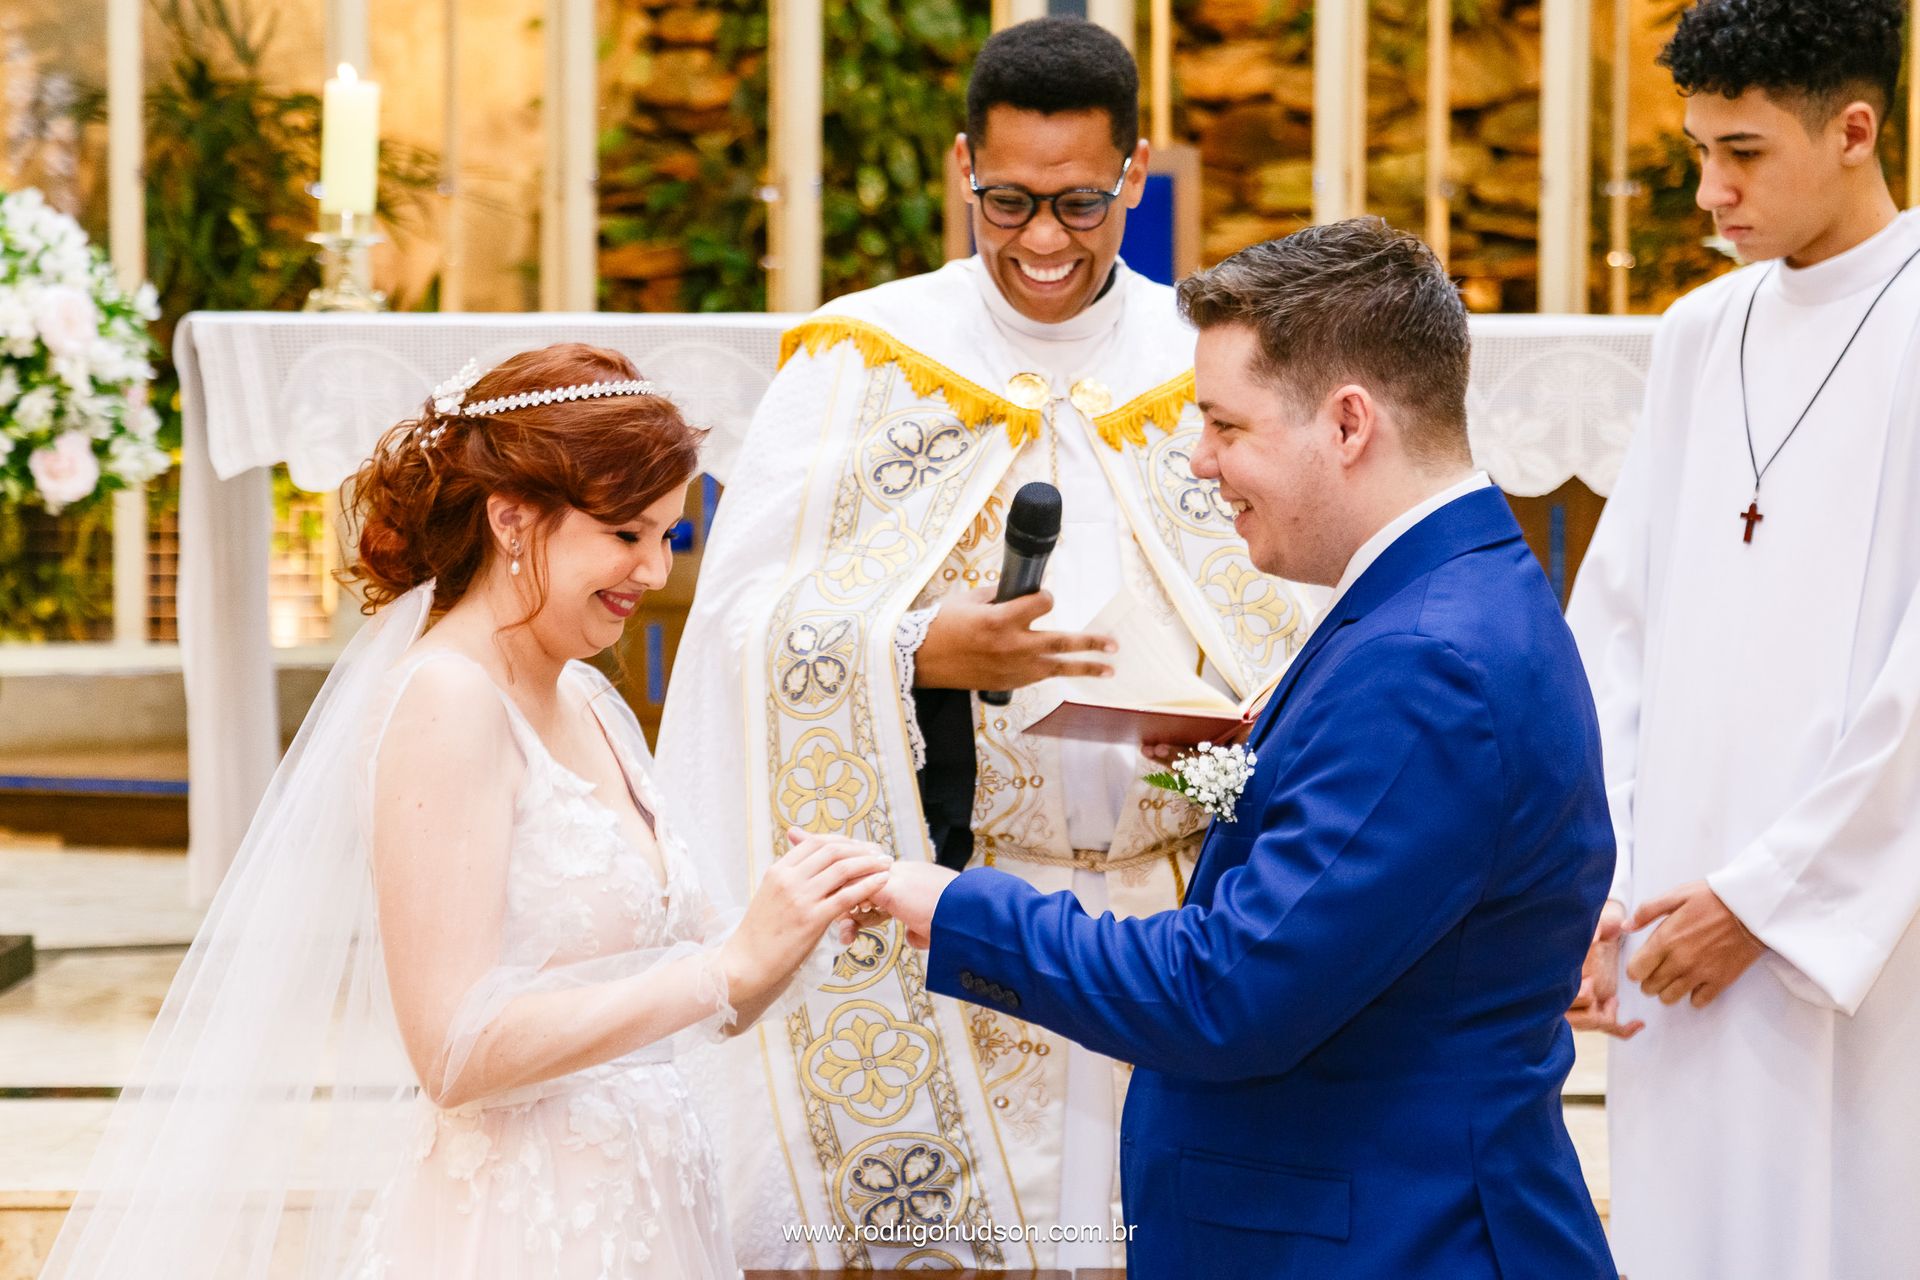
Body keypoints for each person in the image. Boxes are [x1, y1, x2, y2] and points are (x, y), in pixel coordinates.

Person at [658, 17, 1313, 1269]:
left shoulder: (1211, 362)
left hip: (1171, 914)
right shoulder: (862, 359)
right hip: (941, 914)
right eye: (1006, 200)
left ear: (1134, 176)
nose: (1044, 241)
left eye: (1079, 201)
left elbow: (1298, 623)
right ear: (962, 164)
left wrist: (1218, 749)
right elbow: (740, 631)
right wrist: (915, 649)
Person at [869, 219, 1619, 1279]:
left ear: (1349, 422)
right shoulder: (1442, 595)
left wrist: (957, 907)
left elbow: (1228, 993)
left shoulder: (1428, 660)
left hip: (1397, 1236)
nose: (1198, 458)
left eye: (1225, 423)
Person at [42, 343, 888, 1279]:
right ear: (513, 519)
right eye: (626, 534)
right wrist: (725, 967)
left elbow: (687, 998)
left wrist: (791, 926)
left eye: (667, 536)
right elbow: (451, 1048)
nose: (653, 571)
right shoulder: (447, 701)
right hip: (523, 1225)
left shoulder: (591, 700)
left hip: (651, 1202)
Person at [1565, 2, 1920, 1275]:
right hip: (1677, 921)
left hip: (1869, 936)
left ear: (1856, 130)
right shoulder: (1699, 334)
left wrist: (1768, 900)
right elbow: (1615, 627)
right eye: (1698, 152)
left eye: (1745, 152)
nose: (1711, 191)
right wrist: (1597, 889)